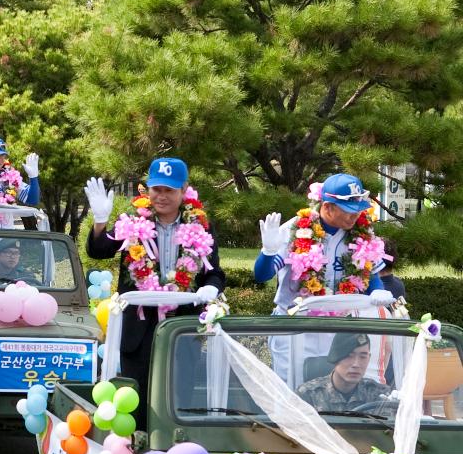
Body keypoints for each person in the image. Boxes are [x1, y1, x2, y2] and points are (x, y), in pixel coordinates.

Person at [84, 158, 224, 412]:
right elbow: (99, 250)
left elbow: (213, 273)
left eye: (169, 190)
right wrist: (101, 221)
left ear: (183, 191)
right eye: (156, 189)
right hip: (139, 332)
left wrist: (212, 288)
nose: (161, 196)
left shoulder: (201, 227)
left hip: (182, 329)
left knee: (177, 402)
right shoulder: (134, 223)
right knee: (135, 403)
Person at [254, 173, 394, 380]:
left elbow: (371, 275)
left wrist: (379, 290)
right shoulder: (294, 230)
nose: (355, 216)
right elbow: (261, 275)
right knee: (292, 392)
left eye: (358, 210)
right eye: (349, 211)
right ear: (327, 206)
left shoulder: (361, 233)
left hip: (338, 329)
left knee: (331, 395)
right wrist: (268, 252)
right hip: (294, 328)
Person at [295, 334, 392, 411]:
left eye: (363, 357)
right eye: (349, 356)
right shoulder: (308, 395)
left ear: (369, 358)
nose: (356, 364)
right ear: (335, 357)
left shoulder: (380, 395)